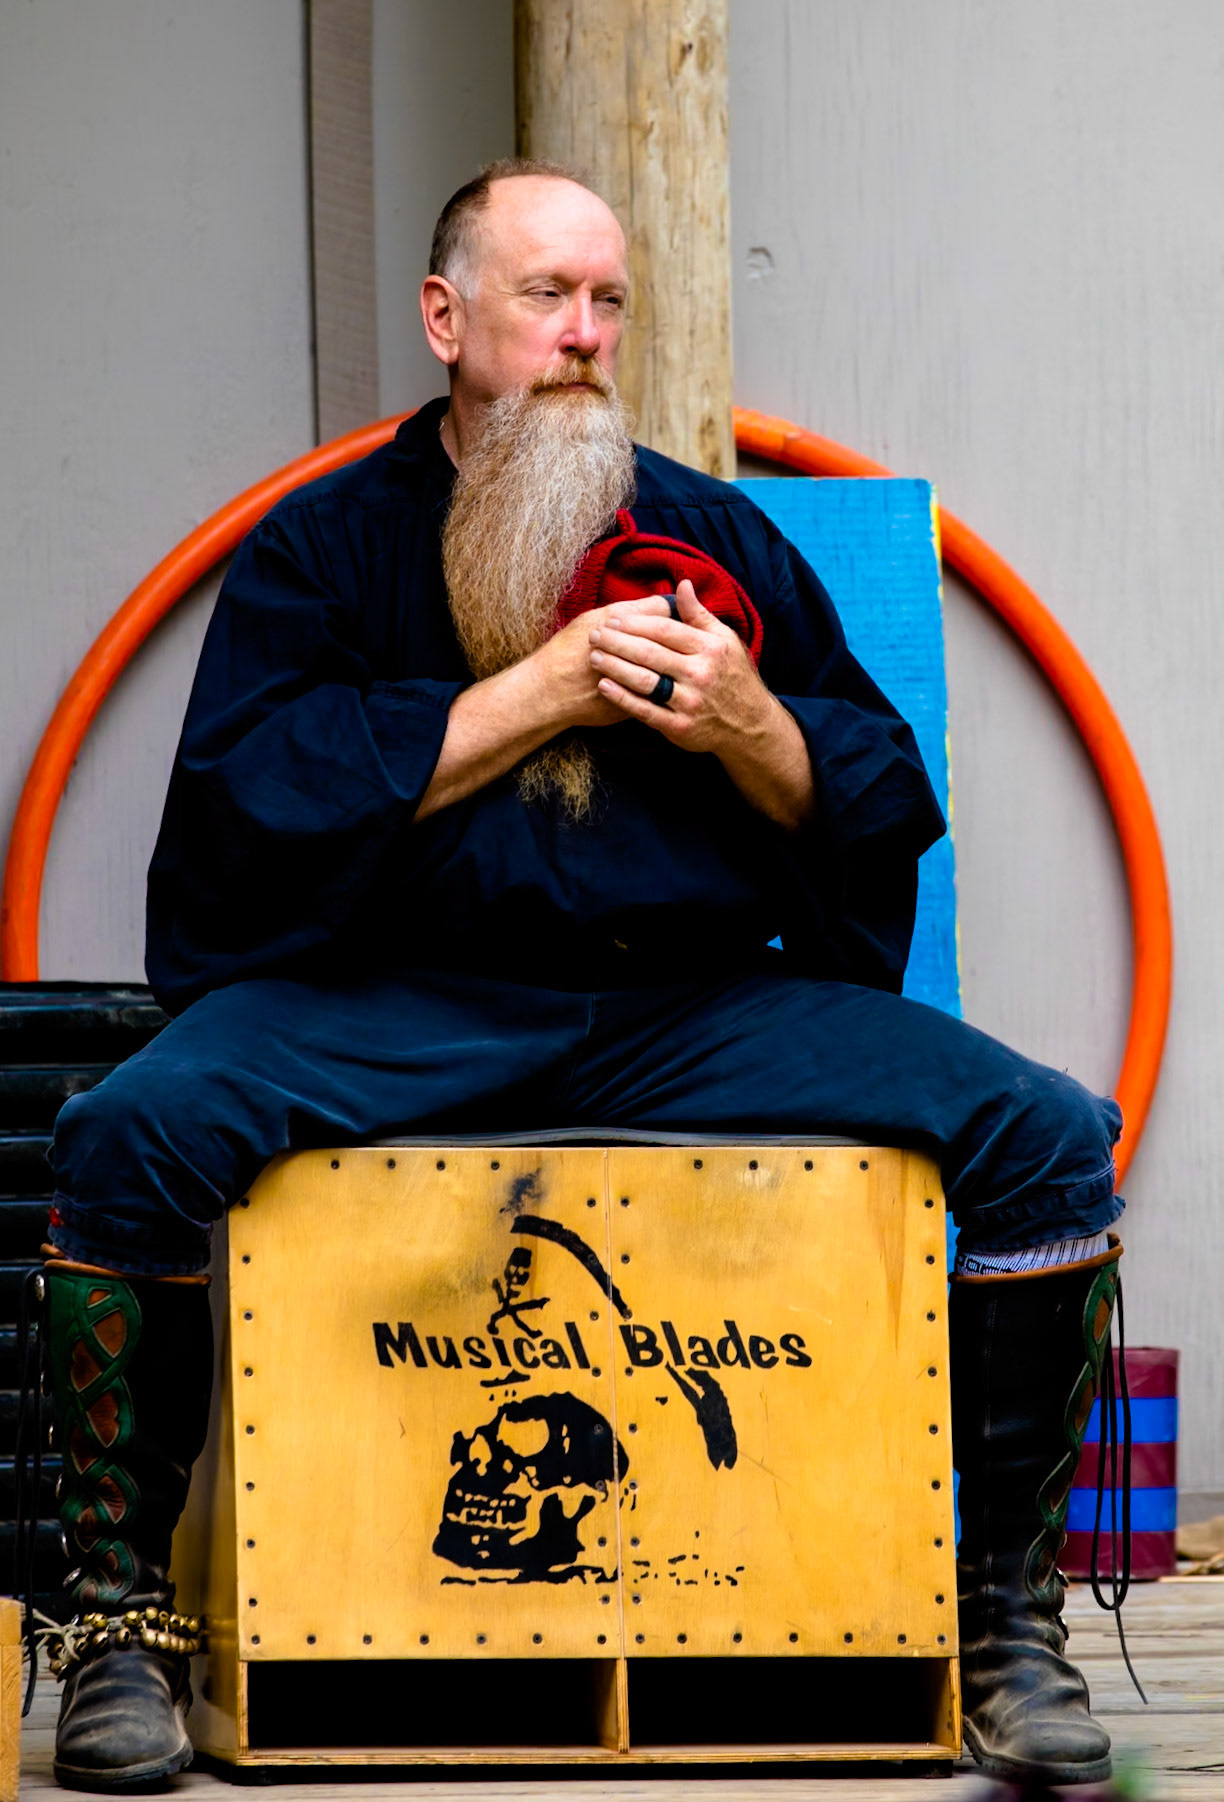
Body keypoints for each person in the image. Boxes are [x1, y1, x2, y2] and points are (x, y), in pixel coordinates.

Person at [39, 159, 1125, 1790]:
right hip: (386, 1006)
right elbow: (254, 800)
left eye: (609, 300)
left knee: (1044, 1135)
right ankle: (120, 1628)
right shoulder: (324, 546)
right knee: (128, 1132)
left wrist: (750, 724)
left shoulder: (712, 532)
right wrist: (542, 690)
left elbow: (875, 787)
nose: (584, 333)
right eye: (547, 294)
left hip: (688, 1010)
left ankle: (1003, 1626)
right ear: (446, 317)